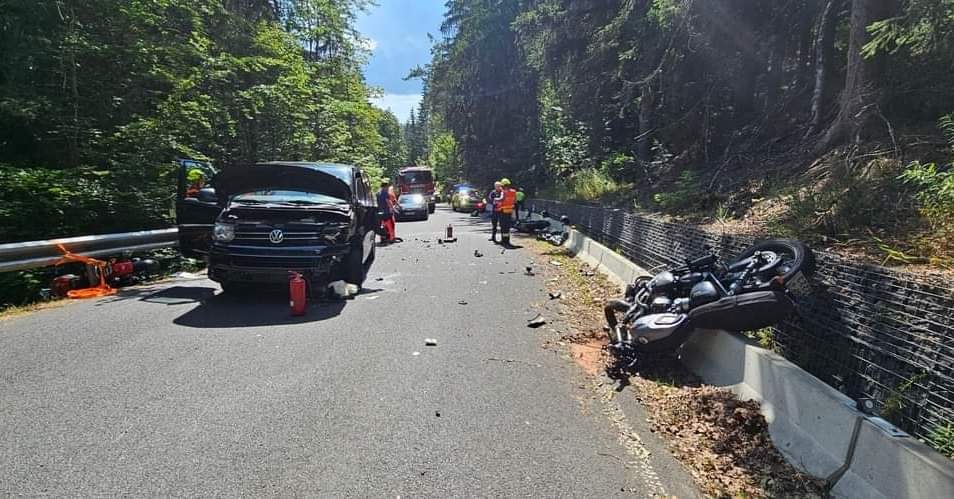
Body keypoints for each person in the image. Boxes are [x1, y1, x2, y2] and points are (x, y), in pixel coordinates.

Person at [498, 178, 518, 248]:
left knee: (503, 227)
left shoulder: (503, 192)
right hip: (509, 211)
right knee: (507, 227)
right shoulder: (514, 191)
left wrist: (496, 199)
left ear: (503, 185)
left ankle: (503, 241)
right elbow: (515, 201)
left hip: (503, 211)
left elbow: (501, 199)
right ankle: (507, 241)